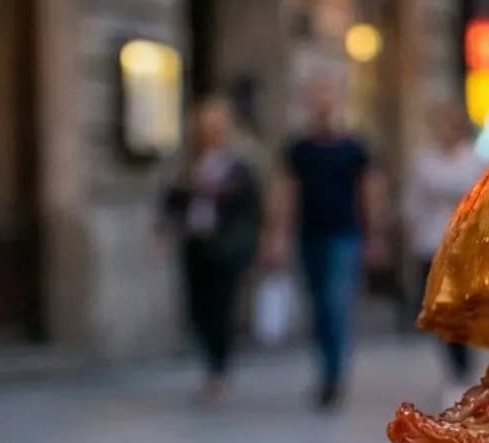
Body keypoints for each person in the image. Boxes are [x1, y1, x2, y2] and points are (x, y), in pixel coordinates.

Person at [270, 75, 379, 409]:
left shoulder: (354, 148)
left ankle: (334, 375)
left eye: (327, 97)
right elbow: (286, 192)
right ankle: (325, 370)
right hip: (309, 233)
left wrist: (373, 234)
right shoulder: (299, 148)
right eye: (317, 98)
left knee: (335, 304)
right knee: (317, 306)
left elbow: (368, 191)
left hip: (343, 234)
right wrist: (277, 233)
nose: (323, 105)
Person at [159, 96, 262, 403]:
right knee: (197, 308)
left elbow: (251, 205)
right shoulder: (188, 164)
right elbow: (171, 200)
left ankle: (218, 370)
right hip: (196, 243)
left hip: (226, 247)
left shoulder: (240, 166)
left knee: (220, 308)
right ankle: (211, 362)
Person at [405, 101, 489, 384]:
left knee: (463, 305)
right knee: (440, 308)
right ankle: (453, 359)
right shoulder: (424, 162)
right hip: (431, 242)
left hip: (464, 245)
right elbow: (412, 203)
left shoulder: (475, 161)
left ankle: (464, 356)